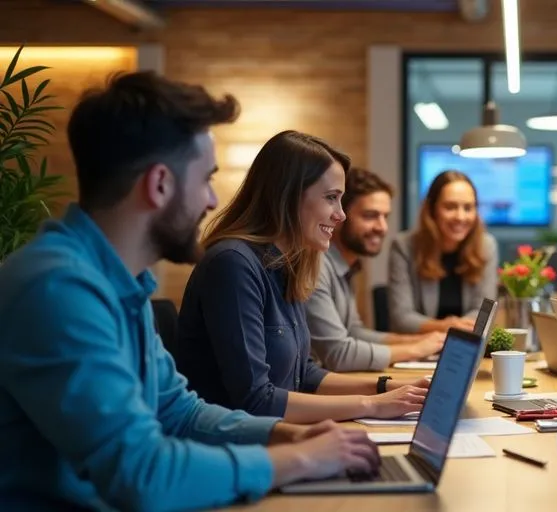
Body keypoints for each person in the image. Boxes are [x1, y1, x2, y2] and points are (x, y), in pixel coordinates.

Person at [0, 72, 381, 510]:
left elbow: (179, 412)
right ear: (159, 184)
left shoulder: (119, 282)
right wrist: (297, 460)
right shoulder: (57, 290)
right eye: (205, 179)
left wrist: (290, 434)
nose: (213, 201)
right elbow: (141, 474)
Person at [175, 131, 428, 424]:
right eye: (331, 198)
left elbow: (304, 373)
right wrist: (371, 405)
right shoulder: (233, 264)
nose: (341, 215)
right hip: (234, 450)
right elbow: (256, 400)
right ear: (289, 196)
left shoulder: (287, 264)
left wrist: (387, 388)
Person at [306, 166, 446, 371]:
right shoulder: (316, 265)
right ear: (340, 215)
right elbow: (338, 353)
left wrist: (420, 340)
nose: (382, 227)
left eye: (385, 216)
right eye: (370, 215)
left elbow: (353, 331)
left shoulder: (346, 266)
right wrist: (416, 349)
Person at [388, 170, 498, 334]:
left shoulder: (486, 246)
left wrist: (455, 329)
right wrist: (445, 326)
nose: (460, 217)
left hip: (466, 347)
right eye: (450, 207)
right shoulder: (404, 246)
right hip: (418, 349)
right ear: (432, 209)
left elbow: (483, 312)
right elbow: (401, 317)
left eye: (468, 208)